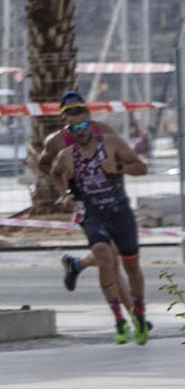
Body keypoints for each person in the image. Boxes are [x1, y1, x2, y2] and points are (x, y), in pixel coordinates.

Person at [50, 109, 151, 344]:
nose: (80, 131)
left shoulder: (112, 144)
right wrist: (64, 195)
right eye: (73, 128)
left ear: (91, 125)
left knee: (132, 266)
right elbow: (55, 174)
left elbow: (141, 168)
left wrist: (118, 168)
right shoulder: (67, 156)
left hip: (120, 213)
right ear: (68, 131)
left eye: (83, 125)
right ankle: (119, 321)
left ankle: (139, 315)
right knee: (104, 257)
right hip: (94, 216)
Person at [36, 91, 129, 296]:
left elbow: (122, 157)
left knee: (111, 255)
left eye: (79, 108)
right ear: (63, 115)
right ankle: (134, 314)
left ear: (86, 111)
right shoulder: (56, 141)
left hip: (111, 200)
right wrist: (65, 190)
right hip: (85, 203)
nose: (76, 114)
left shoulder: (103, 131)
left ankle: (76, 265)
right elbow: (45, 165)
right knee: (112, 257)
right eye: (70, 111)